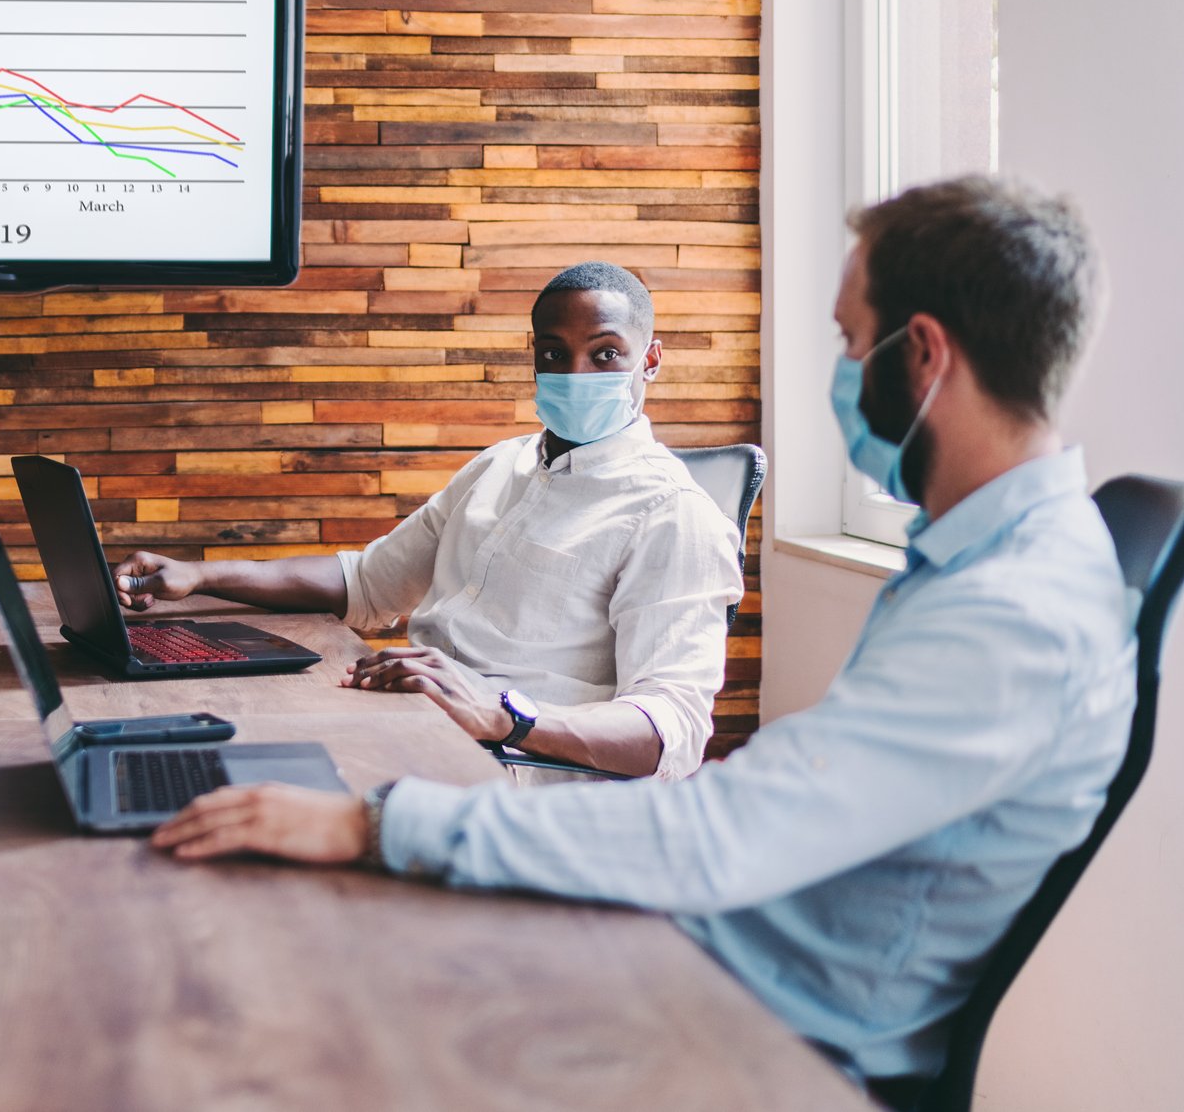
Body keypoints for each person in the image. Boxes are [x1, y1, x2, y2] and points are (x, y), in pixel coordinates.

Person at [150, 177, 1131, 1088]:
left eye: (846, 341)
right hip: (694, 943)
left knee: (288, 994)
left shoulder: (1012, 611)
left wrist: (374, 822)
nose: (839, 373)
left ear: (918, 354)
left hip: (745, 1020)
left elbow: (719, 826)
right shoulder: (972, 561)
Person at [115, 261, 743, 779]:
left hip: (514, 771)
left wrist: (506, 714)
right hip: (409, 721)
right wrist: (199, 574)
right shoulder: (502, 464)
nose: (575, 374)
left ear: (651, 359)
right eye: (555, 353)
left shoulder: (675, 516)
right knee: (199, 746)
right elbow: (367, 584)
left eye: (606, 355)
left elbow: (672, 732)